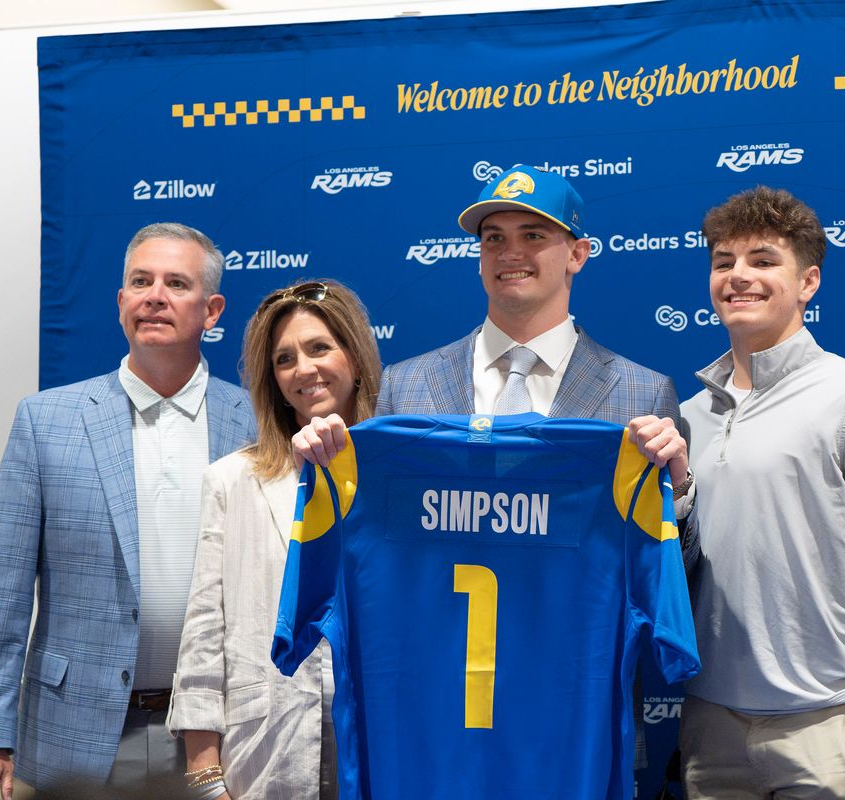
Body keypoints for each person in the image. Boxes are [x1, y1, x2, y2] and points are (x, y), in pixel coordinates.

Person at [290, 164, 689, 774]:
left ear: (578, 254)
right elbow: (376, 550)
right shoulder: (409, 384)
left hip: (565, 728)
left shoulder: (641, 393)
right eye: (493, 238)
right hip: (435, 727)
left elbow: (669, 576)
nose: (511, 253)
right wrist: (321, 469)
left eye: (534, 235)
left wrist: (676, 488)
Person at [0, 222, 257, 798]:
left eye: (176, 283)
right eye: (140, 281)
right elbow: (2, 592)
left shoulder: (257, 424)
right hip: (77, 733)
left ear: (212, 309)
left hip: (219, 735)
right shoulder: (46, 421)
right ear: (122, 303)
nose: (154, 296)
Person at [669, 186, 845, 799]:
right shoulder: (685, 418)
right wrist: (681, 489)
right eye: (723, 262)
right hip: (711, 729)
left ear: (808, 282)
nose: (739, 276)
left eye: (763, 260)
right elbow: (677, 574)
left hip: (831, 731)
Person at [169, 279, 382, 800]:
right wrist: (205, 779)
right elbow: (204, 636)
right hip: (266, 750)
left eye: (319, 348)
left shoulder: (403, 480)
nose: (303, 370)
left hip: (383, 742)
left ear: (355, 358)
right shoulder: (232, 481)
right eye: (284, 359)